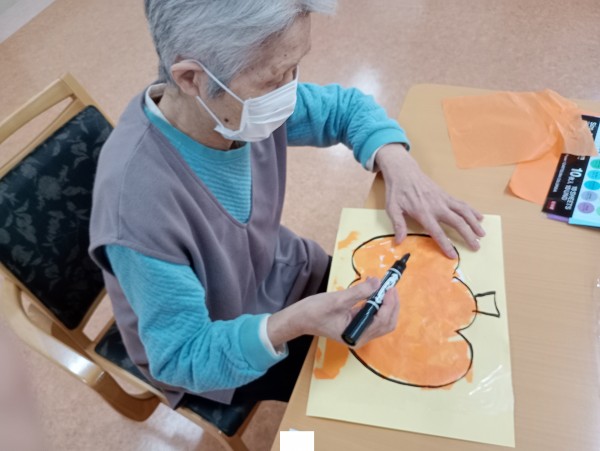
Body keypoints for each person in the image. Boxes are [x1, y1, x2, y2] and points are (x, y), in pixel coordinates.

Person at [89, 0, 485, 408]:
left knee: (409, 322)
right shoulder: (136, 209)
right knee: (351, 411)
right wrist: (290, 325)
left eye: (295, 67)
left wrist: (398, 163)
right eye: (273, 78)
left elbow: (345, 109)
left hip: (285, 273)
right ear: (191, 78)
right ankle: (300, 435)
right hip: (220, 348)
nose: (289, 90)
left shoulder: (227, 110)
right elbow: (183, 357)